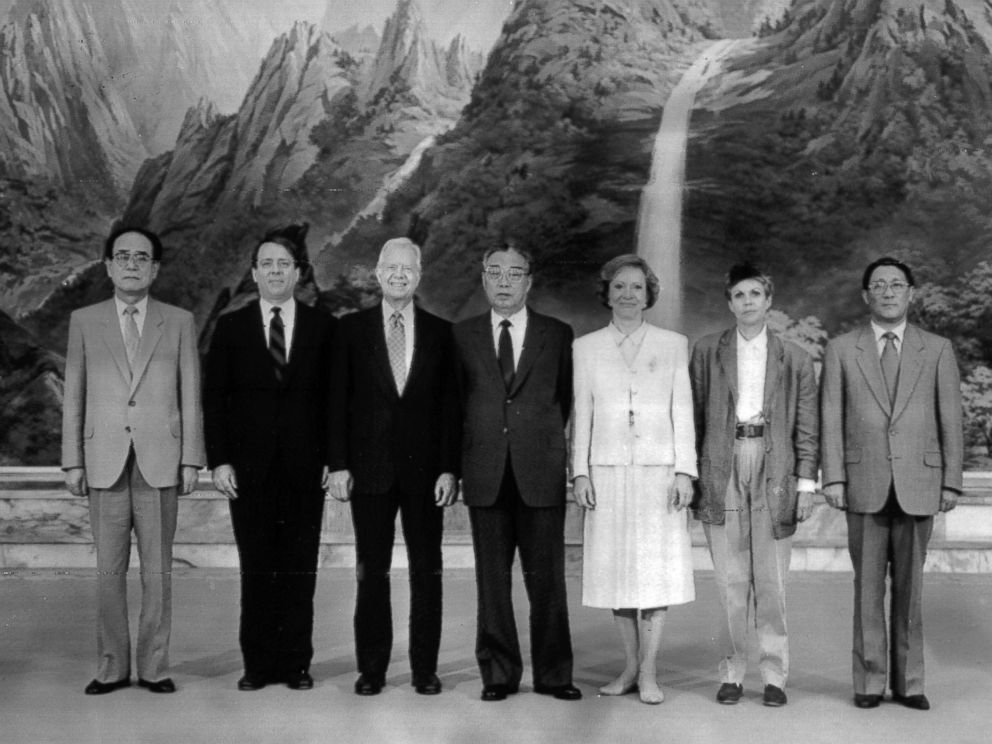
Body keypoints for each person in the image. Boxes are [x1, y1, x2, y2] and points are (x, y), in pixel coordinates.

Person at [62, 226, 205, 695]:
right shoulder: (84, 321)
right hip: (102, 460)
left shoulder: (178, 321)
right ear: (107, 265)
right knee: (108, 573)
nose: (131, 264)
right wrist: (72, 461)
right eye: (121, 256)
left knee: (158, 573)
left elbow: (191, 395)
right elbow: (74, 396)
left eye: (141, 258)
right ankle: (111, 667)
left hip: (161, 460)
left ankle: (155, 667)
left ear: (155, 268)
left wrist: (191, 459)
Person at [820, 256, 963, 711]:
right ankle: (868, 682)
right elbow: (831, 419)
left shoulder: (937, 349)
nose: (887, 292)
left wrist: (951, 483)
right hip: (863, 481)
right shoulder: (843, 349)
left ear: (910, 293)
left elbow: (951, 421)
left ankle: (910, 682)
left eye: (896, 284)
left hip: (920, 482)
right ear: (866, 295)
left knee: (910, 590)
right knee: (867, 590)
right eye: (878, 285)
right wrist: (834, 477)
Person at [203, 224, 335, 692]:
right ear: (254, 273)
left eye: (284, 264)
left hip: (306, 468)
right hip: (249, 470)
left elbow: (336, 400)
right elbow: (214, 399)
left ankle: (296, 663)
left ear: (298, 273)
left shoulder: (324, 326)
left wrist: (335, 459)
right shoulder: (232, 327)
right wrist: (219, 460)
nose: (275, 271)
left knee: (300, 570)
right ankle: (257, 664)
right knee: (256, 568)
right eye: (267, 264)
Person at [326, 237, 459, 696]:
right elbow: (336, 402)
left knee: (428, 570)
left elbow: (449, 407)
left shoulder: (443, 334)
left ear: (419, 275)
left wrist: (449, 469)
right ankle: (372, 669)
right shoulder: (350, 330)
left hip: (427, 475)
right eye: (391, 268)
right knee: (371, 570)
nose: (400, 275)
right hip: (370, 471)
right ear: (378, 273)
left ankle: (425, 669)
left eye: (409, 268)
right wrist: (338, 465)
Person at [452, 243, 581, 702]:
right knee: (492, 581)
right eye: (495, 273)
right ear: (483, 279)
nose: (504, 282)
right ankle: (499, 675)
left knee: (547, 580)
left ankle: (554, 674)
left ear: (530, 281)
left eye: (514, 274)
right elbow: (455, 408)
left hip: (539, 471)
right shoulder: (462, 335)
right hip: (485, 471)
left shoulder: (558, 334)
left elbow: (564, 401)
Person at [689, 262, 818, 708]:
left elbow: (807, 426)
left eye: (755, 295)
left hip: (774, 462)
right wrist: (693, 475)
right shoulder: (707, 351)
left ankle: (774, 675)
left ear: (769, 301)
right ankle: (731, 672)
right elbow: (694, 418)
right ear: (729, 303)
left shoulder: (795, 358)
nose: (747, 302)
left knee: (771, 578)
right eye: (739, 295)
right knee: (729, 576)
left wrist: (805, 485)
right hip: (723, 460)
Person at [572, 254, 696, 705]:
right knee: (614, 572)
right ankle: (629, 665)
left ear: (649, 295)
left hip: (657, 475)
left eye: (637, 288)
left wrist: (685, 470)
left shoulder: (672, 344)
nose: (628, 295)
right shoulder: (585, 347)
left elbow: (682, 410)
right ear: (606, 292)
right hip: (605, 474)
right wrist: (580, 472)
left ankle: (649, 671)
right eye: (619, 287)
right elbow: (581, 414)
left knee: (654, 573)